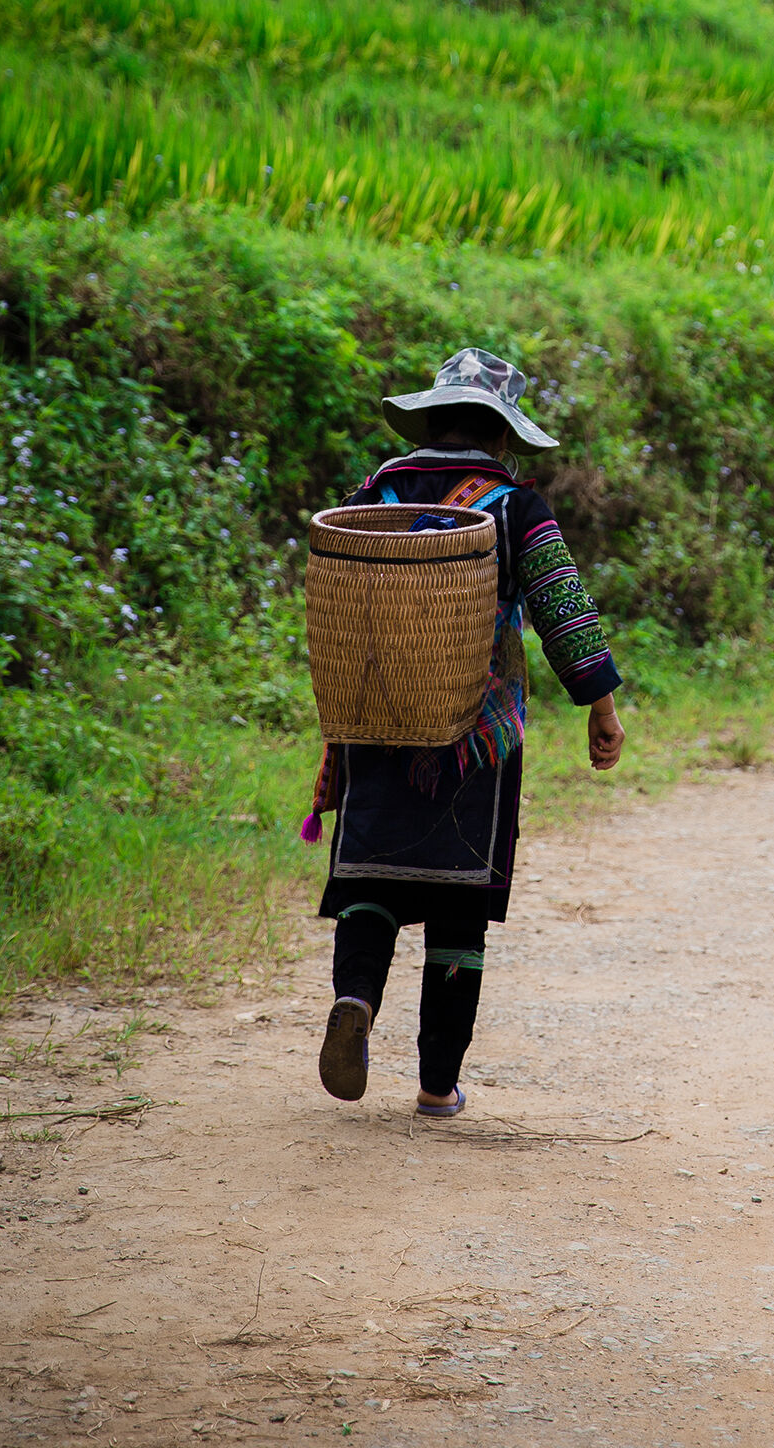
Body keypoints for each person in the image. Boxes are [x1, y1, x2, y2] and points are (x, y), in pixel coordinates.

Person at [303, 347, 623, 1114]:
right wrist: (601, 707)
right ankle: (436, 1086)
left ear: (432, 416)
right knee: (458, 904)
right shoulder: (515, 506)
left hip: (374, 718)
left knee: (370, 882)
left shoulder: (374, 492)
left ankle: (356, 1000)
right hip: (473, 735)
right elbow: (563, 609)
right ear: (502, 434)